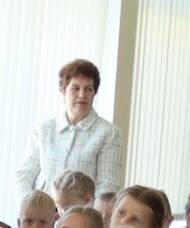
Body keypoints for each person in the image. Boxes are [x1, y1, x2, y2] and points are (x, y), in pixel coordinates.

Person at [14, 57, 124, 202]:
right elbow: (24, 174)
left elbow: (108, 186)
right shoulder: (43, 129)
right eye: (75, 88)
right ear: (63, 90)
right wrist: (31, 207)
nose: (82, 95)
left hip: (81, 218)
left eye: (88, 89)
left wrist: (81, 213)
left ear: (94, 93)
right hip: (39, 216)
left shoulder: (109, 133)